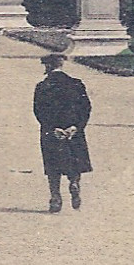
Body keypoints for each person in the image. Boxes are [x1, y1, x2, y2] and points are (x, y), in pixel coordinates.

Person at [34, 53, 93, 212]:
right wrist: (76, 126)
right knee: (74, 160)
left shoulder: (42, 86)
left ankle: (55, 197)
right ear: (61, 65)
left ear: (47, 66)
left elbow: (38, 111)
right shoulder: (76, 84)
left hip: (52, 131)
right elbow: (85, 108)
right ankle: (74, 183)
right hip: (73, 130)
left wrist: (52, 128)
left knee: (53, 165)